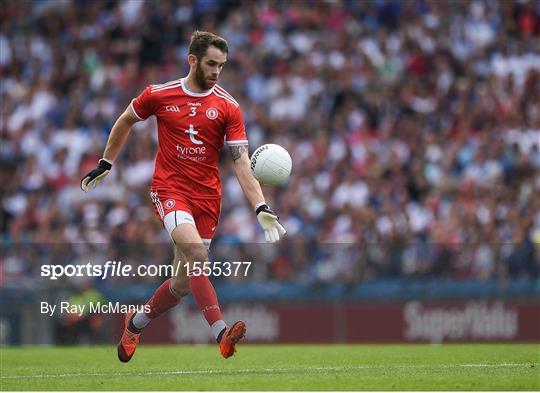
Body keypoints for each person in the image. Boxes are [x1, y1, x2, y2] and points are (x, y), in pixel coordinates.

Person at [80, 31, 286, 362]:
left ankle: (135, 322)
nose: (217, 71)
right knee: (197, 256)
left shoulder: (228, 106)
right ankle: (221, 333)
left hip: (207, 199)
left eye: (222, 65)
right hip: (170, 189)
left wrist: (260, 206)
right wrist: (106, 161)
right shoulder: (160, 94)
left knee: (181, 285)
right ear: (193, 60)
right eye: (211, 64)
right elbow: (125, 120)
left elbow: (240, 161)